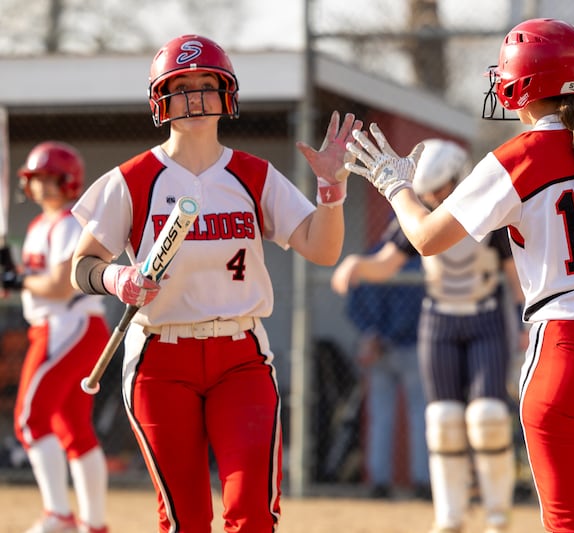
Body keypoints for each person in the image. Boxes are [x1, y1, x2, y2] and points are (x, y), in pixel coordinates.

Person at [345, 18, 574, 533]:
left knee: (573, 524)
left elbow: (426, 238)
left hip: (569, 350)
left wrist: (395, 186)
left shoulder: (515, 159)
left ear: (522, 84)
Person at [68, 34, 360, 533]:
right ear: (161, 100)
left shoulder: (253, 175)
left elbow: (323, 248)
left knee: (253, 513)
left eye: (207, 85)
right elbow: (82, 266)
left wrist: (331, 193)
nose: (196, 98)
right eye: (182, 87)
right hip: (159, 360)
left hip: (241, 357)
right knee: (186, 519)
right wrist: (118, 277)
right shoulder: (133, 179)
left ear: (227, 94)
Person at [331, 139, 526, 533]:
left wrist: (526, 321)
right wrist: (356, 265)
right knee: (442, 419)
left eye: (442, 188)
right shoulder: (422, 217)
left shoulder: (490, 215)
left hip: (485, 320)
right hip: (439, 321)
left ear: (459, 176)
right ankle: (450, 515)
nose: (437, 199)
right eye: (431, 192)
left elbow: (516, 281)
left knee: (488, 416)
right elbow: (386, 265)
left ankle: (496, 514)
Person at [1, 141, 110, 533]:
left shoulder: (69, 223)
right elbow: (32, 281)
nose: (42, 186)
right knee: (72, 428)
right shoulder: (35, 228)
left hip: (69, 326)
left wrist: (17, 280)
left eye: (50, 178)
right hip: (55, 329)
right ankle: (93, 524)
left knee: (30, 421)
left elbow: (60, 286)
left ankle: (59, 516)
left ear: (68, 181)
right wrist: (10, 278)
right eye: (36, 179)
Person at [341, 239, 429, 500]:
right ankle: (422, 483)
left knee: (383, 416)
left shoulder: (373, 255)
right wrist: (378, 333)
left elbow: (356, 307)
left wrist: (373, 332)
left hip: (384, 346)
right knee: (417, 415)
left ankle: (380, 482)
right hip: (407, 344)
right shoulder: (420, 257)